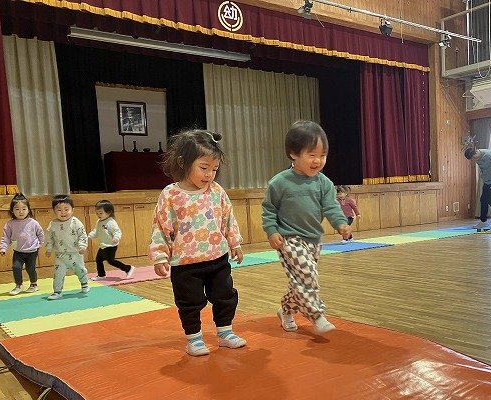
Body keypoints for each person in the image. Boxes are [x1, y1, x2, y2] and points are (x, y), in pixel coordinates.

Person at [150, 129, 245, 357]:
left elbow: (228, 219)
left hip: (218, 258)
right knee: (189, 303)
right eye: (204, 168)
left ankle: (225, 333)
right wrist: (160, 255)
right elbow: (161, 226)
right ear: (183, 162)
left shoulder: (217, 191)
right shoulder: (171, 195)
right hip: (185, 264)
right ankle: (194, 338)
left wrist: (235, 242)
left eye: (214, 169)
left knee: (225, 296)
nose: (210, 174)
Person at [262, 120, 351, 335]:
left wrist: (341, 223)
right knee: (308, 276)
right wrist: (272, 231)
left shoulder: (324, 183)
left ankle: (285, 310)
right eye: (312, 155)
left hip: (314, 240)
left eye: (322, 155)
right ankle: (317, 316)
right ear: (293, 153)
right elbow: (269, 210)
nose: (318, 161)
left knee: (301, 281)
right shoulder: (279, 183)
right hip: (289, 239)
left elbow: (331, 206)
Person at [45, 194, 89, 300]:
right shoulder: (53, 224)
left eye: (66, 209)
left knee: (80, 270)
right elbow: (50, 237)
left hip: (75, 254)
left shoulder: (76, 222)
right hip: (60, 255)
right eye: (59, 210)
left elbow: (82, 235)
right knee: (58, 273)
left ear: (72, 210)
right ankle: (57, 291)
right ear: (54, 211)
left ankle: (84, 284)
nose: (63, 212)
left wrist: (82, 246)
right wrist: (49, 249)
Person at [0, 193, 44, 295]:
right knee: (16, 267)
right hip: (18, 251)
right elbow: (5, 237)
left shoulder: (33, 222)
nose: (21, 211)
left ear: (28, 210)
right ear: (12, 210)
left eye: (24, 209)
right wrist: (3, 248)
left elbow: (40, 233)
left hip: (32, 251)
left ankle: (34, 284)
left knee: (30, 268)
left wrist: (40, 243)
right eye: (17, 209)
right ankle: (18, 285)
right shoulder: (10, 224)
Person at [88, 200, 136, 280]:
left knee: (111, 261)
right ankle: (101, 275)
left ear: (109, 212)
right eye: (97, 213)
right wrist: (89, 236)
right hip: (103, 245)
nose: (98, 215)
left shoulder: (111, 222)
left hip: (111, 246)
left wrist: (116, 238)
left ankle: (128, 268)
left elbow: (117, 231)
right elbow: (96, 231)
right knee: (98, 260)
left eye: (100, 213)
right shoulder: (99, 222)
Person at [464, 147, 491, 228]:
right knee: (483, 200)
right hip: (487, 181)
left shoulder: (488, 155)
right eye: (472, 159)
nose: (474, 160)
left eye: (474, 158)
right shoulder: (476, 157)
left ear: (476, 152)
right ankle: (483, 222)